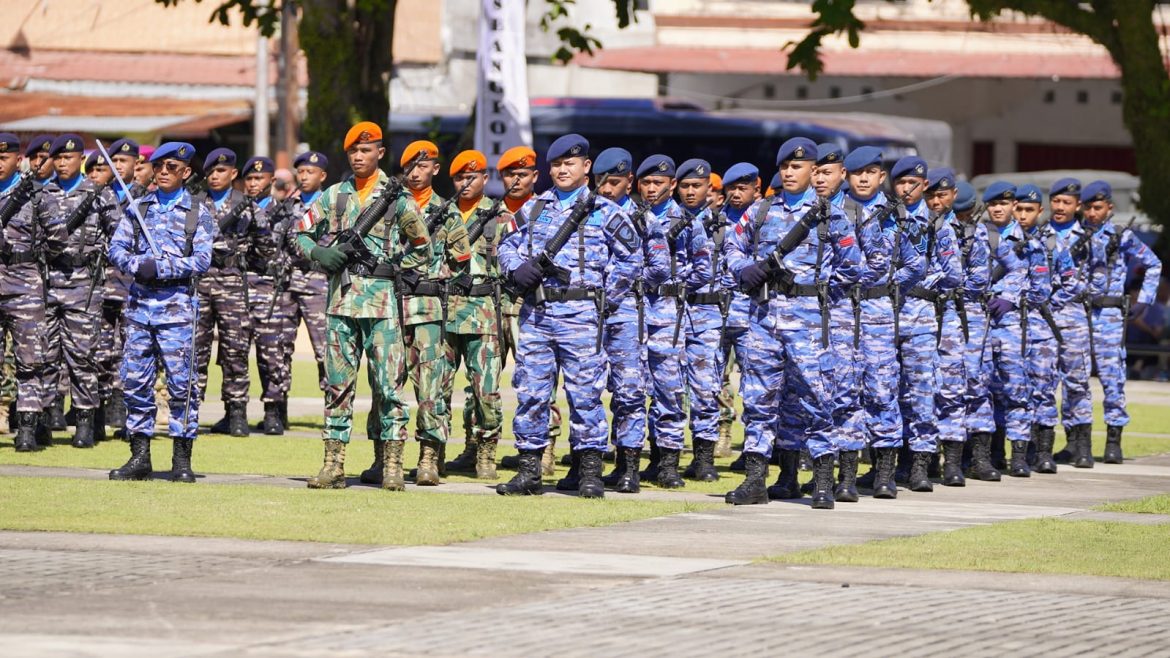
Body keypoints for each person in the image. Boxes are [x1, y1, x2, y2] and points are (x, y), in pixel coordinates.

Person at [496, 133, 641, 498]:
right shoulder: (535, 208)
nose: (562, 170)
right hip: (538, 313)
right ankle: (529, 469)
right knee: (531, 391)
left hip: (582, 314)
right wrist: (517, 270)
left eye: (570, 164)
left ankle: (589, 469)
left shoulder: (605, 210)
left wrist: (605, 298)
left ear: (586, 167)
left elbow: (631, 259)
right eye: (557, 164)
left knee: (585, 393)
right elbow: (505, 246)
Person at [723, 138, 862, 508]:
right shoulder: (762, 210)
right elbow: (731, 248)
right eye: (784, 166)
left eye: (797, 167)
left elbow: (853, 268)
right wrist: (745, 269)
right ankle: (755, 480)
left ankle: (821, 482)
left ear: (814, 172)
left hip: (809, 322)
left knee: (817, 398)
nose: (789, 172)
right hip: (764, 318)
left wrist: (818, 296)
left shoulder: (830, 215)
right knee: (758, 399)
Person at [296, 121, 431, 490]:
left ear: (380, 154)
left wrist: (394, 269)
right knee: (337, 387)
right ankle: (333, 465)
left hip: (384, 308)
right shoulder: (334, 196)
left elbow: (424, 248)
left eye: (366, 150)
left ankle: (391, 465)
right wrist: (319, 253)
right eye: (354, 150)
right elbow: (300, 234)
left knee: (389, 387)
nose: (359, 156)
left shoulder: (397, 198)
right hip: (341, 305)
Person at [360, 140, 470, 486]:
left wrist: (434, 279)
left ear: (435, 169)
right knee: (383, 385)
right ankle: (383, 457)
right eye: (410, 166)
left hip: (426, 310)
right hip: (388, 308)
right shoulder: (385, 206)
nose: (416, 172)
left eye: (423, 166)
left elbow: (463, 265)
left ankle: (428, 458)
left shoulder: (448, 211)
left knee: (430, 388)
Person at [108, 141, 213, 482]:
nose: (164, 172)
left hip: (177, 309)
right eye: (159, 166)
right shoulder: (138, 207)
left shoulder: (197, 212)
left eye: (172, 168)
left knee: (182, 386)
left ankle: (181, 458)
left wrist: (164, 268)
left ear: (186, 173)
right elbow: (116, 248)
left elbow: (202, 260)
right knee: (136, 382)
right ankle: (140, 456)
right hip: (140, 307)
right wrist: (140, 265)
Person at [633, 155, 711, 490]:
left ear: (672, 186)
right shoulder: (627, 217)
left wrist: (677, 287)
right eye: (647, 183)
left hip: (668, 314)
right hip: (632, 311)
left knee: (668, 389)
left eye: (658, 183)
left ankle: (667, 462)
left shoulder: (688, 221)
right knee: (632, 389)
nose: (652, 189)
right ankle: (634, 460)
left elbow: (705, 267)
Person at [43, 134, 122, 448]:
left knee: (82, 355)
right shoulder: (42, 192)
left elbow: (119, 233)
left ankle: (86, 420)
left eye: (68, 158)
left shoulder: (98, 193)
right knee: (46, 354)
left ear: (81, 161)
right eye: (58, 158)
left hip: (83, 284)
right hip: (47, 281)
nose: (62, 163)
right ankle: (45, 417)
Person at [588, 147, 656, 493]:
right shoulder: (588, 212)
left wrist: (613, 290)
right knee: (585, 388)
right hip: (585, 313)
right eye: (600, 182)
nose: (606, 189)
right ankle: (588, 462)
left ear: (629, 181)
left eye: (613, 182)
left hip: (626, 311)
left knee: (629, 389)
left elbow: (658, 265)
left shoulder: (644, 219)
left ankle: (628, 464)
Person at [1080, 180, 1162, 464]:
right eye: (1088, 207)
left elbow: (1153, 263)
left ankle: (1114, 440)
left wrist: (1143, 301)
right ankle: (1079, 442)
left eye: (1097, 207)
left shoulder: (1121, 235)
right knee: (1075, 380)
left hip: (1110, 316)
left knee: (1112, 378)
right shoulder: (1075, 235)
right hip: (1077, 314)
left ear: (1109, 208)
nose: (1092, 213)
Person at [440, 150, 505, 480]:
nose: (465, 183)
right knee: (437, 387)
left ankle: (486, 451)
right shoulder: (441, 213)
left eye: (472, 176)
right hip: (444, 312)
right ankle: (436, 451)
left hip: (483, 314)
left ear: (484, 178)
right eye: (459, 177)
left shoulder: (499, 215)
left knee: (485, 389)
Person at [0, 133, 62, 451]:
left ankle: (26, 428)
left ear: (17, 159)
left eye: (3, 157)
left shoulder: (37, 196)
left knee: (30, 361)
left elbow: (59, 240)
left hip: (24, 286)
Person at [968, 181, 1029, 480]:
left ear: (1013, 206)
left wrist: (1010, 297)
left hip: (1009, 322)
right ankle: (988, 454)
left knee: (1014, 388)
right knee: (979, 387)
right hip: (978, 320)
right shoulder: (978, 233)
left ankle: (1019, 454)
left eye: (1004, 204)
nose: (998, 209)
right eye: (993, 204)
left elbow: (1037, 281)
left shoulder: (1031, 241)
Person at [194, 148, 256, 436]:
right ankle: (190, 410)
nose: (214, 176)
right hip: (202, 282)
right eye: (211, 171)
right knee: (196, 350)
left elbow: (265, 246)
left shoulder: (247, 204)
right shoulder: (195, 204)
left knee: (235, 349)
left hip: (232, 282)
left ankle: (236, 412)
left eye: (221, 171)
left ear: (233, 174)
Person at [675, 159, 723, 482]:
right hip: (671, 312)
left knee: (706, 387)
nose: (691, 192)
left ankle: (704, 457)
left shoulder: (722, 225)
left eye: (697, 186)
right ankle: (665, 454)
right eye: (685, 186)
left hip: (706, 313)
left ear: (709, 189)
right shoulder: (665, 221)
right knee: (668, 386)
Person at [717, 162, 760, 472]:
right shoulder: (716, 221)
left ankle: (754, 446)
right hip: (716, 311)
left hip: (751, 311)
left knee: (755, 383)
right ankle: (721, 433)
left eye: (742, 187)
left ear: (756, 188)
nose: (735, 193)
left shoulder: (765, 219)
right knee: (712, 380)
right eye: (730, 188)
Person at [240, 156, 289, 434]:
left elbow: (289, 250)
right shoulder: (237, 210)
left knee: (271, 353)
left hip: (269, 289)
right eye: (249, 178)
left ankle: (272, 411)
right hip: (238, 288)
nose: (253, 183)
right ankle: (235, 411)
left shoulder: (282, 212)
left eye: (259, 178)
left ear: (271, 181)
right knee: (234, 353)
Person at [282, 151, 330, 401]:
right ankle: (276, 411)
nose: (304, 176)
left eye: (310, 172)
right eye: (300, 171)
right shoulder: (288, 205)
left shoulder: (330, 205)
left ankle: (332, 405)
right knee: (280, 346)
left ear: (322, 176)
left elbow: (327, 243)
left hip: (317, 283)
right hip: (288, 283)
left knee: (324, 348)